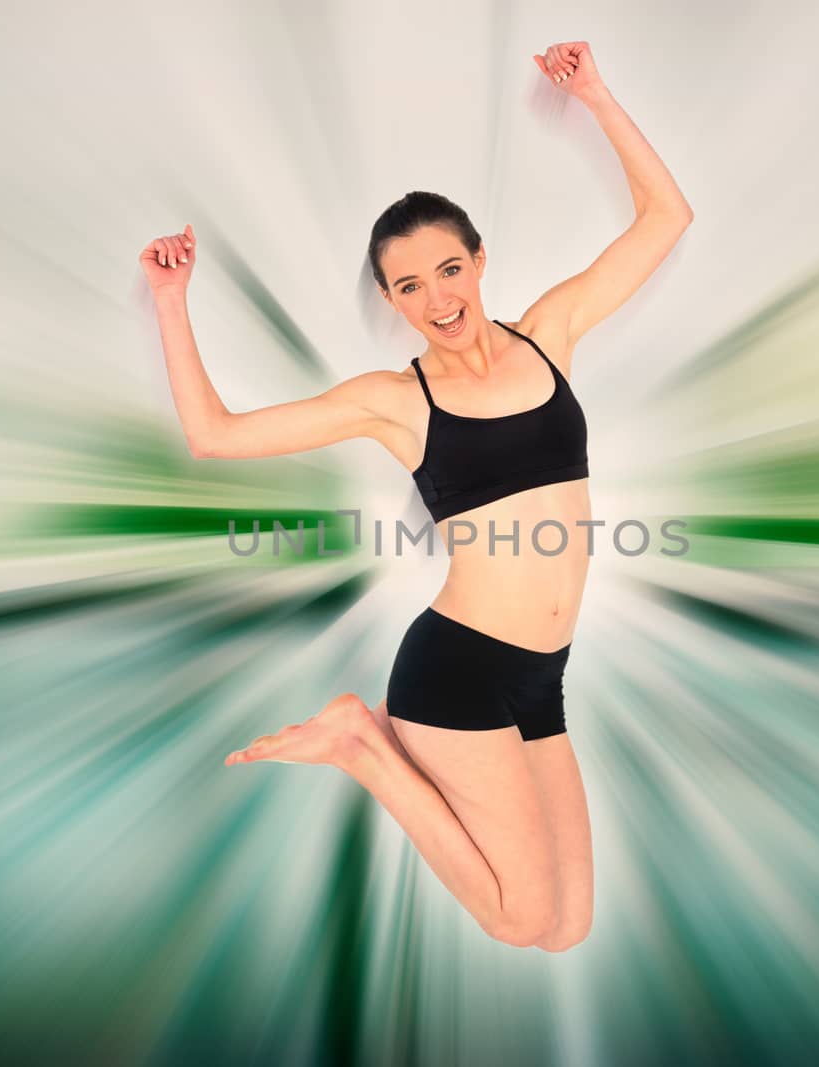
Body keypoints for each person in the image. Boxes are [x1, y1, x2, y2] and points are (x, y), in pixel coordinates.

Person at [139, 41, 692, 951]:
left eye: (447, 269)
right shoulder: (398, 401)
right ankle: (360, 742)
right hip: (458, 671)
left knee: (568, 926)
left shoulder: (550, 335)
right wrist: (170, 299)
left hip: (544, 674)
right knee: (520, 917)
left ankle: (362, 741)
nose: (435, 298)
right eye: (407, 286)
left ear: (478, 260)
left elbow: (666, 217)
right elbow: (217, 435)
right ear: (393, 302)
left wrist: (593, 91)